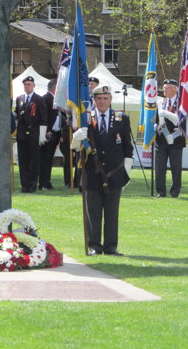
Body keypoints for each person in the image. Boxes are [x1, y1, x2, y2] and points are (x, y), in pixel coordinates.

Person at [72, 85, 133, 256]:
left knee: (112, 213)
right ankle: (95, 246)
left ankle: (111, 246)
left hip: (115, 173)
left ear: (111, 100)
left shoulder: (122, 118)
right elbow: (76, 149)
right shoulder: (85, 119)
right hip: (92, 173)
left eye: (105, 98)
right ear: (94, 100)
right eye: (98, 98)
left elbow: (128, 149)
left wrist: (125, 174)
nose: (102, 102)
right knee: (93, 212)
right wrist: (76, 139)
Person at [15, 75, 48, 193]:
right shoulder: (19, 98)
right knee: (23, 162)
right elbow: (17, 115)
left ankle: (32, 185)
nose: (27, 86)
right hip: (22, 135)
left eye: (29, 84)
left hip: (34, 135)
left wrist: (42, 135)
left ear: (34, 86)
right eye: (25, 84)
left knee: (34, 162)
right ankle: (24, 186)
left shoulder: (39, 99)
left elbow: (44, 118)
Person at [154, 79, 185, 198]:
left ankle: (175, 192)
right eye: (164, 87)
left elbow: (180, 119)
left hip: (176, 138)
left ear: (174, 88)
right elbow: (156, 118)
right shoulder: (161, 102)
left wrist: (166, 114)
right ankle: (160, 191)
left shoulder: (181, 102)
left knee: (176, 168)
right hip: (161, 138)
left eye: (167, 88)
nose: (164, 90)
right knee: (159, 167)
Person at [39, 79, 61, 190]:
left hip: (55, 133)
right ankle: (43, 183)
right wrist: (47, 130)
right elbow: (43, 116)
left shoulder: (56, 100)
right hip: (48, 133)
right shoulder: (45, 99)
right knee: (45, 159)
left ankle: (47, 182)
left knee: (49, 159)